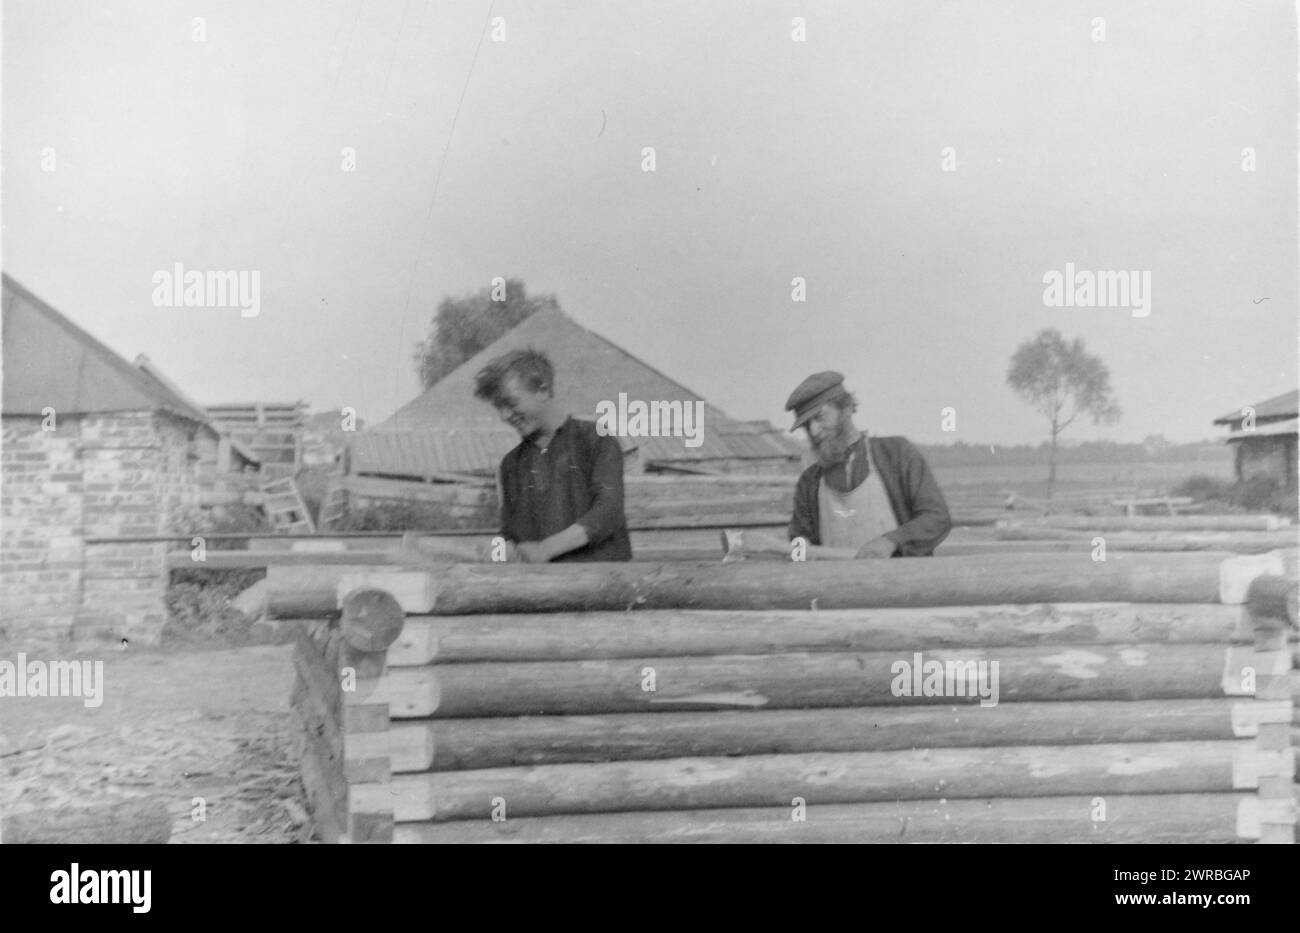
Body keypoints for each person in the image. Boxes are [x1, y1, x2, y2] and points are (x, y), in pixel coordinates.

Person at [473, 348, 632, 562]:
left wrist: (546, 549)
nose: (505, 415)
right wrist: (497, 551)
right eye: (499, 407)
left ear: (543, 391)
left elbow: (607, 513)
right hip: (544, 589)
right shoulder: (511, 464)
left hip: (601, 585)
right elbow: (512, 535)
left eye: (511, 403)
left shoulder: (595, 439)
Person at [785, 371, 951, 557]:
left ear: (846, 409)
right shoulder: (809, 482)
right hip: (835, 583)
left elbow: (936, 518)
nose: (814, 431)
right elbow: (798, 538)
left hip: (901, 581)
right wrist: (800, 546)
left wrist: (891, 541)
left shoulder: (896, 454)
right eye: (807, 425)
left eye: (819, 417)